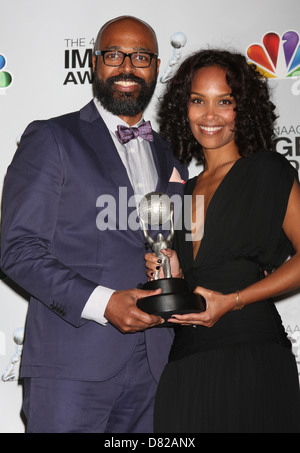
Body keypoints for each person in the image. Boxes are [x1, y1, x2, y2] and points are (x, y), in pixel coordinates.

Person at [0, 16, 187, 433]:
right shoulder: (52, 138)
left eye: (140, 57)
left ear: (156, 67)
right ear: (94, 62)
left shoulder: (170, 156)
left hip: (156, 363)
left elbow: (165, 244)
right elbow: (18, 250)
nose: (126, 67)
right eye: (113, 55)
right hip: (71, 365)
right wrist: (103, 303)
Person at [145, 49, 300, 433]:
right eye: (198, 100)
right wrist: (171, 273)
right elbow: (194, 273)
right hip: (186, 359)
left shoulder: (267, 170)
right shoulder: (182, 192)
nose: (209, 115)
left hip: (251, 355)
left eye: (224, 102)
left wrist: (231, 301)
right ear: (185, 108)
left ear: (242, 110)